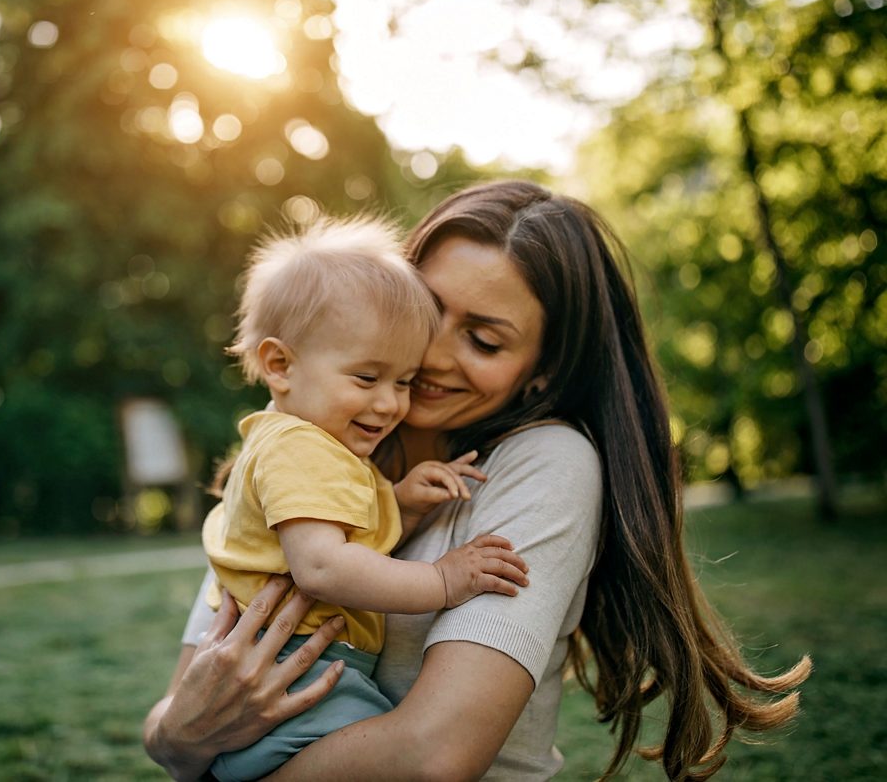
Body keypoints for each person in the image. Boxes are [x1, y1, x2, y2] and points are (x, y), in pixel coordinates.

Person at [144, 181, 811, 781]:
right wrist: (179, 738)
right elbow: (176, 719)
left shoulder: (545, 463)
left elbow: (434, 756)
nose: (432, 355)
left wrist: (196, 754)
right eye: (428, 314)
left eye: (484, 341)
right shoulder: (306, 436)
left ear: (541, 370)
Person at [203, 216, 530, 781]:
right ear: (280, 364)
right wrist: (445, 582)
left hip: (303, 665)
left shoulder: (313, 447)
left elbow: (340, 535)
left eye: (403, 381)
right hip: (300, 670)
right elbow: (324, 566)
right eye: (366, 377)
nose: (389, 405)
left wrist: (398, 504)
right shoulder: (297, 449)